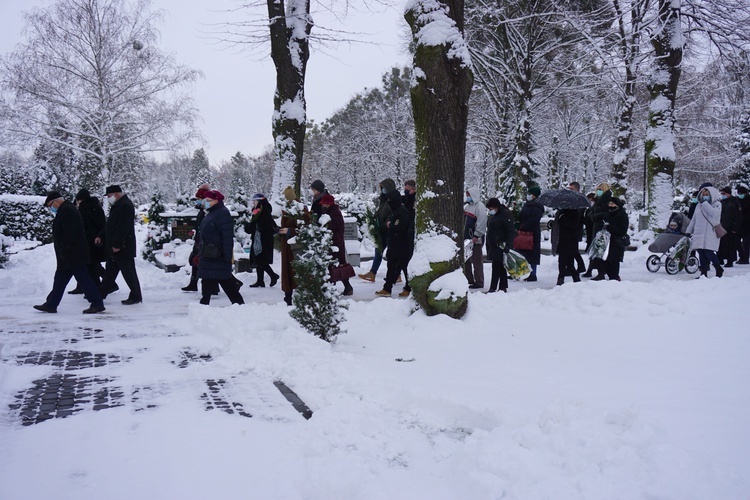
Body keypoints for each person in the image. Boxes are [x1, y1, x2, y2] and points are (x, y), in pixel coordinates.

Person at [34, 192, 105, 314]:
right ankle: (51, 304)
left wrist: (65, 248)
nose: (51, 208)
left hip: (73, 254)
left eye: (50, 205)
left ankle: (97, 303)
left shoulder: (67, 210)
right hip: (68, 255)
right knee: (60, 280)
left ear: (56, 201)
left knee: (84, 280)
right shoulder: (66, 209)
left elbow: (69, 232)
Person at [197, 190, 245, 305]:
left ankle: (239, 305)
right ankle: (204, 305)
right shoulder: (211, 212)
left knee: (225, 280)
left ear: (216, 201)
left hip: (217, 254)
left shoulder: (222, 213)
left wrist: (227, 256)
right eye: (205, 200)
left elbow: (227, 237)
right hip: (209, 254)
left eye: (208, 201)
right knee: (208, 280)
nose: (206, 203)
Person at [97, 185, 142, 305]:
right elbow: (111, 224)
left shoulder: (124, 205)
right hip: (117, 246)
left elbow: (123, 227)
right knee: (110, 272)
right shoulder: (118, 205)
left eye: (109, 196)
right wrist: (101, 235)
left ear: (115, 194)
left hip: (123, 247)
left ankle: (136, 295)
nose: (108, 198)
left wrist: (117, 244)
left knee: (128, 272)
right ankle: (100, 294)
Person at [67, 188, 106, 293]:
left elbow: (100, 224)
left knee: (92, 264)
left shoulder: (91, 208)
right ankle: (83, 286)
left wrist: (98, 236)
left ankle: (104, 283)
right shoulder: (87, 208)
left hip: (91, 241)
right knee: (86, 264)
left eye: (79, 201)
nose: (77, 203)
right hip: (87, 240)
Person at [359, 178, 398, 282]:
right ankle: (373, 273)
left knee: (390, 253)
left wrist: (384, 225)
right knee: (378, 251)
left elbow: (391, 216)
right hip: (382, 231)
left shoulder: (391, 201)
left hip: (388, 231)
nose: (382, 190)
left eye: (384, 188)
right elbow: (381, 213)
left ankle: (396, 274)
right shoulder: (383, 200)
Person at [376, 190, 413, 297]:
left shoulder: (401, 211)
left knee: (404, 267)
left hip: (401, 244)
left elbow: (402, 227)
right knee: (392, 266)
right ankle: (387, 287)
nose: (388, 202)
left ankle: (408, 287)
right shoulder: (395, 210)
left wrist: (390, 225)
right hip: (394, 244)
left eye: (389, 200)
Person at [278, 186, 311, 306]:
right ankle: (288, 297)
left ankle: (301, 297)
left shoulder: (300, 209)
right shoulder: (286, 209)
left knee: (297, 273)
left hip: (296, 247)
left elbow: (307, 227)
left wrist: (290, 231)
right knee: (288, 273)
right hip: (287, 246)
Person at [686, 185, 724, 278]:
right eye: (703, 194)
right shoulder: (699, 205)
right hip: (699, 232)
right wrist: (689, 230)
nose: (704, 195)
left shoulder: (717, 204)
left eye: (707, 194)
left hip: (710, 232)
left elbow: (714, 213)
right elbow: (694, 219)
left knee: (708, 252)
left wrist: (705, 203)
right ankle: (703, 272)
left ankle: (718, 268)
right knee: (701, 252)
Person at [319, 194, 353, 295]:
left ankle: (332, 288)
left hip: (335, 244)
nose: (323, 206)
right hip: (334, 243)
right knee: (338, 265)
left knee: (334, 266)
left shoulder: (334, 214)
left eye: (324, 204)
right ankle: (346, 286)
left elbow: (333, 228)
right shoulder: (331, 212)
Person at [245, 193, 279, 288]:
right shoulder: (259, 211)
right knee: (258, 260)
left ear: (259, 201)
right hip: (259, 239)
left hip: (263, 240)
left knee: (261, 260)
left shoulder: (264, 212)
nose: (253, 203)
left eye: (255, 201)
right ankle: (260, 281)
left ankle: (273, 276)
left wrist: (251, 223)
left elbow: (261, 226)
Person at [591, 197, 629, 281]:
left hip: (616, 241)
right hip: (606, 240)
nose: (610, 205)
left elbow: (623, 229)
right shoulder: (608, 213)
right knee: (602, 259)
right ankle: (611, 275)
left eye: (613, 204)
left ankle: (615, 277)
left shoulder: (622, 214)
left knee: (614, 260)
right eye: (610, 204)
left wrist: (609, 227)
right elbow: (598, 217)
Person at [484, 198, 516, 293]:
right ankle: (502, 287)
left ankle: (494, 287)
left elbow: (510, 231)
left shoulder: (505, 215)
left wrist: (508, 246)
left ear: (496, 207)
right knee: (499, 267)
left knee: (497, 266)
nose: (490, 211)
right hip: (495, 245)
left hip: (501, 245)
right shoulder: (495, 215)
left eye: (491, 209)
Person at [182, 183, 210, 291]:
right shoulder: (201, 210)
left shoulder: (206, 211)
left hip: (202, 241)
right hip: (199, 239)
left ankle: (230, 284)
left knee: (200, 262)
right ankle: (193, 283)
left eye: (198, 198)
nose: (197, 200)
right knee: (195, 261)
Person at [517, 185, 543, 282]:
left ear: (534, 195)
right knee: (522, 253)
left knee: (532, 254)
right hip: (524, 232)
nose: (528, 195)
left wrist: (524, 226)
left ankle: (532, 274)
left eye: (530, 194)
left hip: (533, 233)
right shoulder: (527, 205)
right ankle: (521, 272)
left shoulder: (537, 206)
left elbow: (534, 219)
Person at [587, 182, 613, 280]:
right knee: (595, 249)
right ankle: (593, 269)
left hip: (602, 227)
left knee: (600, 250)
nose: (599, 190)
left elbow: (606, 213)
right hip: (596, 226)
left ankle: (601, 272)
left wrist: (595, 216)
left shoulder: (606, 200)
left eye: (601, 189)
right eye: (598, 188)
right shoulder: (598, 200)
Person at [463, 186, 487, 289]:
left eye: (469, 195)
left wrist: (477, 235)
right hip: (466, 238)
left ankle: (479, 281)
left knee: (477, 261)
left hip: (475, 238)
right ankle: (469, 279)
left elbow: (481, 222)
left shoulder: (480, 207)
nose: (467, 197)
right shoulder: (467, 207)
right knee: (466, 260)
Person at [555, 207, 582, 285]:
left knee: (563, 261)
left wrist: (562, 218)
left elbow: (572, 225)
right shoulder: (562, 212)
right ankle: (575, 277)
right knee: (568, 261)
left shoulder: (573, 212)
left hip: (569, 240)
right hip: (564, 239)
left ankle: (561, 278)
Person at [718, 186, 742, 267]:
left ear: (728, 193)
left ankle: (730, 261)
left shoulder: (734, 202)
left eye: (724, 193)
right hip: (722, 226)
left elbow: (738, 216)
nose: (722, 195)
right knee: (721, 244)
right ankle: (720, 259)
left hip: (731, 227)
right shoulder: (722, 202)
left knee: (731, 246)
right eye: (721, 193)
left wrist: (735, 227)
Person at [737, 186, 750, 264]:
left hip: (747, 225)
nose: (740, 195)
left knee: (746, 243)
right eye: (739, 193)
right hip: (739, 225)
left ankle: (745, 258)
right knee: (736, 242)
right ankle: (742, 256)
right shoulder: (738, 201)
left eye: (741, 193)